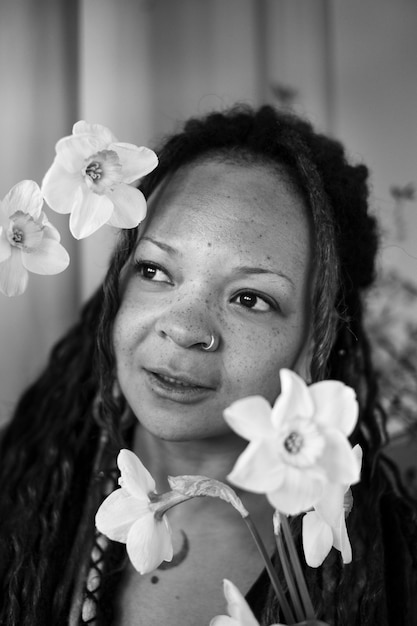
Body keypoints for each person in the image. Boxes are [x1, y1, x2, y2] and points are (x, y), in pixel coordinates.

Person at [0, 105, 416, 626]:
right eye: (154, 270)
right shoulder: (19, 495)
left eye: (250, 298)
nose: (186, 328)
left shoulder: (391, 580)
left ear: (319, 339)